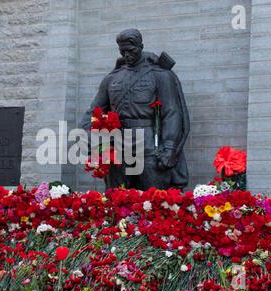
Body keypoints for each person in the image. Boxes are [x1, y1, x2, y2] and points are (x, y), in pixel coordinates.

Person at [79, 28, 189, 190]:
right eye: (122, 52)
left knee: (154, 197)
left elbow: (171, 113)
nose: (127, 55)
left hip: (149, 145)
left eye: (130, 50)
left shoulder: (160, 75)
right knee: (116, 199)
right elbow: (93, 111)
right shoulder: (112, 78)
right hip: (117, 146)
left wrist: (170, 147)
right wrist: (86, 135)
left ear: (140, 46)